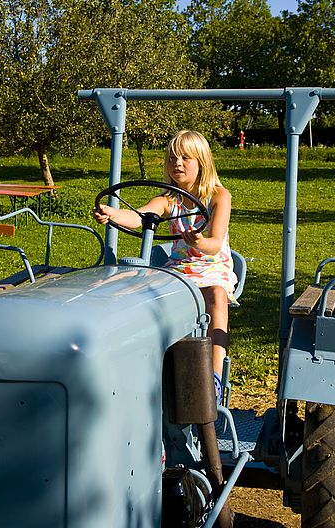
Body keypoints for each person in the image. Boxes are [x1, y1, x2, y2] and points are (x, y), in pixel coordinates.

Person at [93, 130, 238, 404]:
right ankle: (150, 370)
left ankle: (215, 378)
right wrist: (113, 213)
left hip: (211, 265)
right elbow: (138, 216)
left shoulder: (219, 196)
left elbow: (215, 244)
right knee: (140, 295)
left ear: (202, 162)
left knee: (217, 296)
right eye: (172, 158)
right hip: (180, 267)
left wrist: (199, 240)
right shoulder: (168, 200)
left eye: (185, 158)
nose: (177, 164)